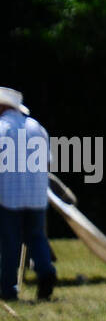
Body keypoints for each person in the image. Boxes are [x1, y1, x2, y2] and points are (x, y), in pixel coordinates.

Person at [0, 87, 56, 301]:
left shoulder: (1, 128)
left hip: (8, 196)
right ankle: (46, 271)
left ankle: (8, 289)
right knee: (36, 237)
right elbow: (48, 162)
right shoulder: (36, 127)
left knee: (9, 242)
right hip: (36, 196)